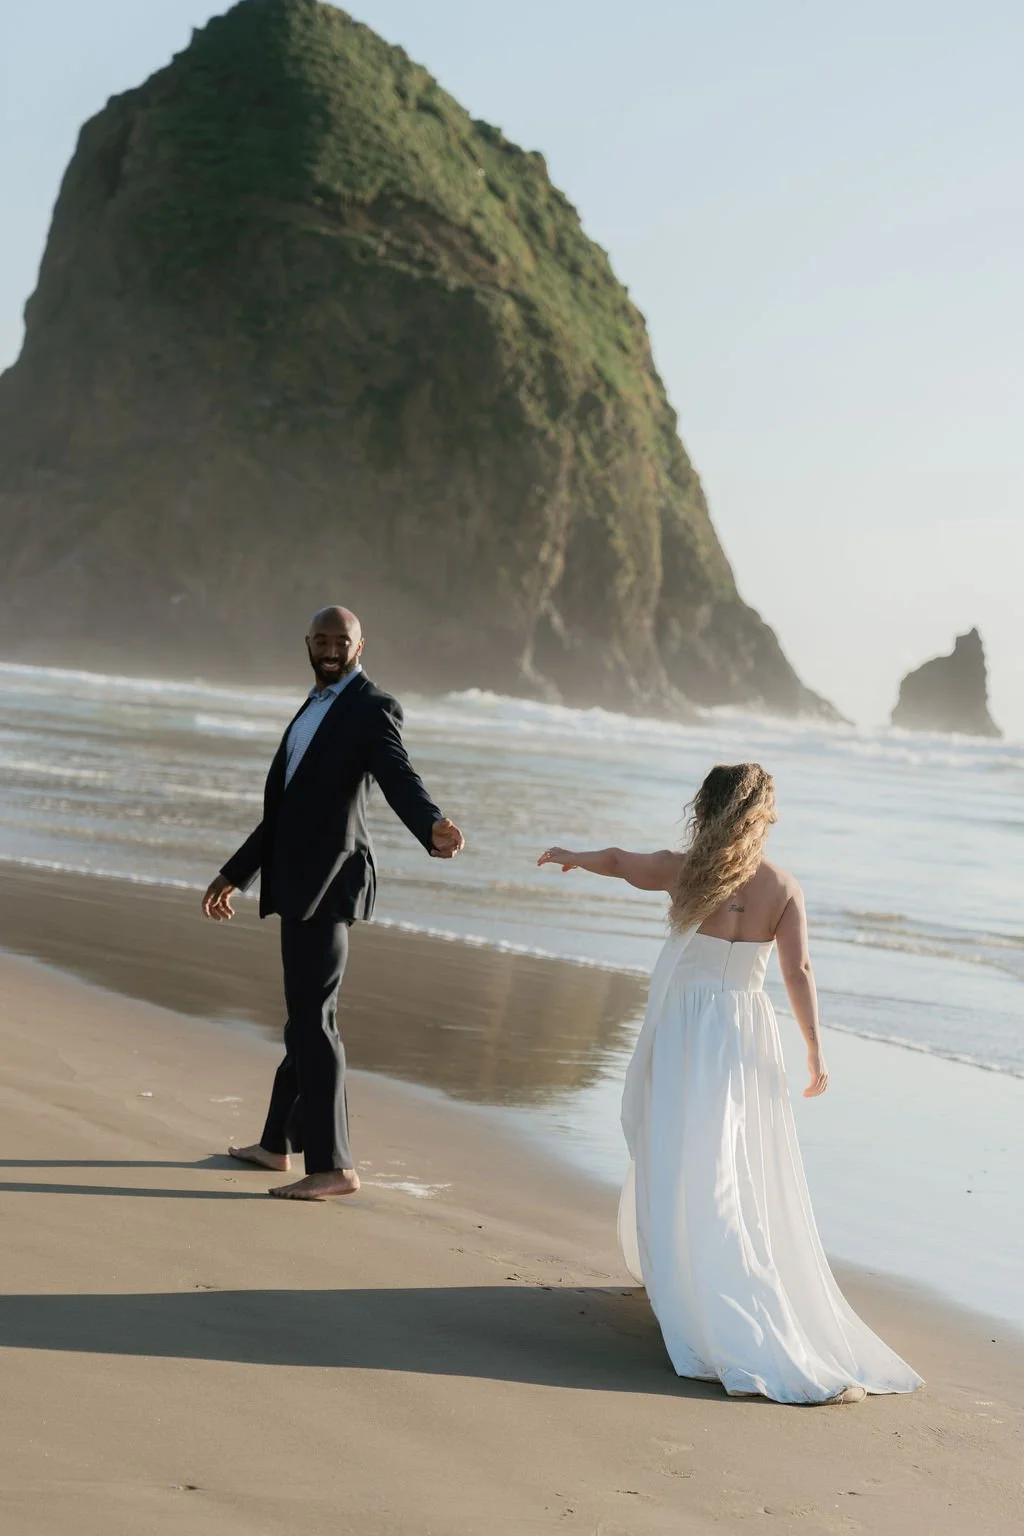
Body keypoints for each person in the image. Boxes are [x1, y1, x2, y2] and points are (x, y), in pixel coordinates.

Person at [538, 763, 923, 1405]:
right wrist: (814, 1047)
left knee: (681, 1148)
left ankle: (704, 1284)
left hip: (685, 1028)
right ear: (764, 817)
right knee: (732, 1160)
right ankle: (721, 1270)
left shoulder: (685, 870)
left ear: (706, 810)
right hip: (743, 1031)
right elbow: (797, 970)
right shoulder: (782, 886)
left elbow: (617, 859)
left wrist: (573, 856)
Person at [203, 605, 464, 1201]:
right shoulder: (313, 706)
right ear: (307, 643)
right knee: (304, 1014)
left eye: (339, 640)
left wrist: (431, 827)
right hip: (297, 879)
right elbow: (286, 810)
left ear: (360, 644)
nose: (328, 648)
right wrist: (234, 873)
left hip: (330, 882)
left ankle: (335, 1164)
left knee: (314, 1020)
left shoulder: (371, 707)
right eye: (319, 639)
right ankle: (276, 1145)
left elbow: (399, 776)